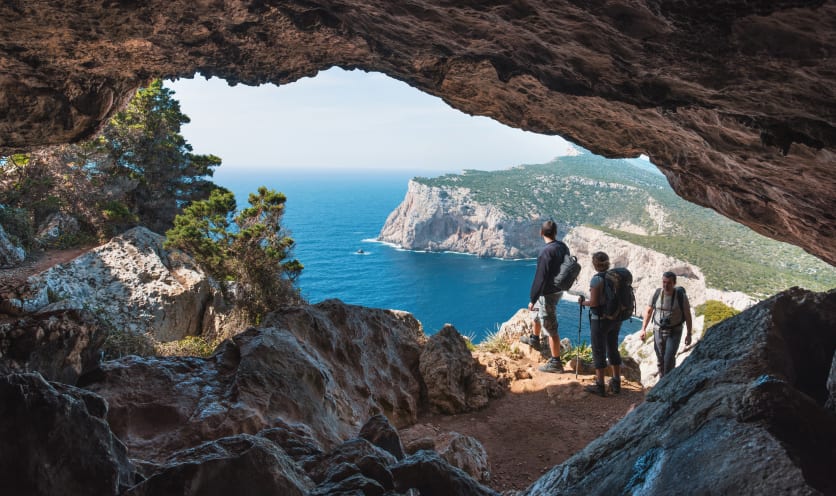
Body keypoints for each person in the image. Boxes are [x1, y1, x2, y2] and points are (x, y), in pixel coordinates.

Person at [523, 220, 567, 373]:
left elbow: (540, 278)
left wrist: (532, 299)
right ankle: (534, 339)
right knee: (537, 313)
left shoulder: (545, 252)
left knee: (550, 326)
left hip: (547, 293)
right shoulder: (562, 247)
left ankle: (556, 362)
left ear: (541, 233)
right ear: (555, 232)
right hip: (559, 289)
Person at [578, 251, 623, 397]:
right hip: (615, 319)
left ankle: (600, 385)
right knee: (613, 348)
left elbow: (594, 303)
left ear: (595, 264)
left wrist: (582, 302)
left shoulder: (597, 280)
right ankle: (616, 382)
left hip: (600, 320)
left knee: (598, 350)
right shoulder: (614, 277)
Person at [639, 271, 693, 379]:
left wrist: (689, 334)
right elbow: (649, 311)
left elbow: (687, 315)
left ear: (674, 283)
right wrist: (643, 329)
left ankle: (667, 381)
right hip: (658, 330)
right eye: (664, 282)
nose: (665, 285)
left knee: (669, 359)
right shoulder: (656, 294)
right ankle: (662, 380)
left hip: (674, 331)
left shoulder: (681, 296)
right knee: (660, 359)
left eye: (669, 283)